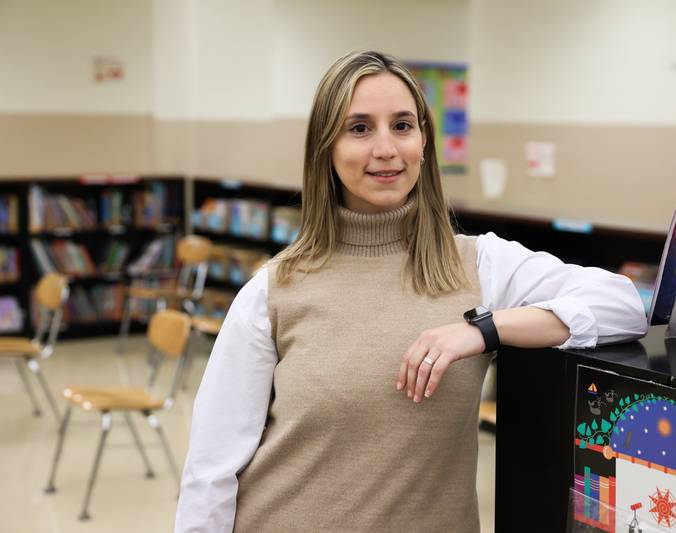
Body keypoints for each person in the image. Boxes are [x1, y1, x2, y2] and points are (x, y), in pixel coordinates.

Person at [175, 50, 647, 533]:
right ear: (326, 147)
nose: (386, 148)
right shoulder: (275, 289)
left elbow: (625, 305)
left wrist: (485, 330)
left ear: (424, 142)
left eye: (402, 125)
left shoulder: (480, 264)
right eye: (359, 128)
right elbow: (210, 472)